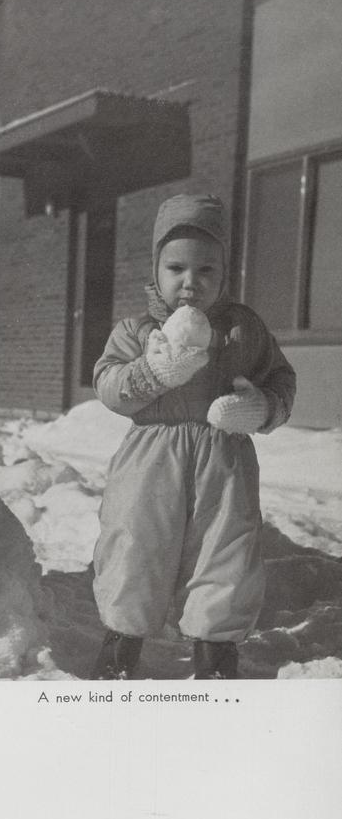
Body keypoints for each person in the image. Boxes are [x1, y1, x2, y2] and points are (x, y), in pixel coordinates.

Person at [90, 193, 295, 680]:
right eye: (176, 268)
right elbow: (108, 385)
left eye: (206, 270)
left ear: (224, 274)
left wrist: (260, 406)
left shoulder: (244, 329)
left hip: (224, 462)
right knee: (134, 544)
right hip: (151, 459)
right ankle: (121, 645)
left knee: (226, 549)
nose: (190, 281)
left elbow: (281, 379)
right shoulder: (137, 331)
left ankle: (215, 653)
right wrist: (153, 371)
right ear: (156, 270)